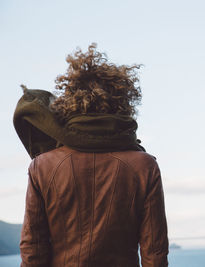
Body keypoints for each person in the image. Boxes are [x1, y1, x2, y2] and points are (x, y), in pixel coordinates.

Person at [13, 44, 169, 267]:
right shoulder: (144, 166)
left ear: (69, 105)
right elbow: (155, 254)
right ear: (121, 103)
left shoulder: (43, 166)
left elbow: (33, 249)